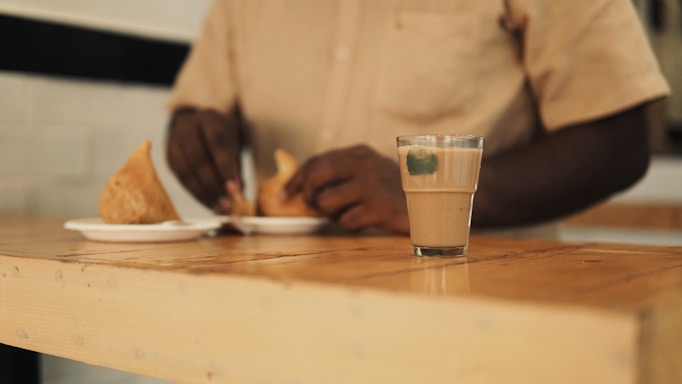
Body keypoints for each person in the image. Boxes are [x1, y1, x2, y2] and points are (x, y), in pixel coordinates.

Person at [165, 0, 670, 236]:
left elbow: (620, 139)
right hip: (279, 319)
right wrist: (195, 138)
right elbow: (195, 113)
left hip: (478, 324)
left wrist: (433, 199)